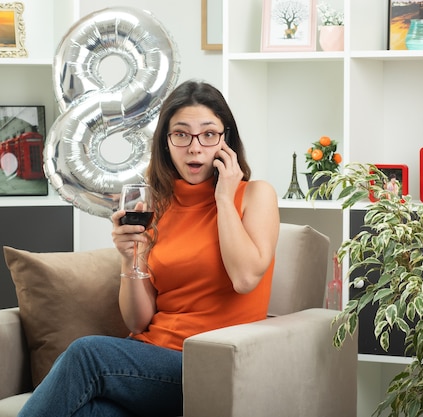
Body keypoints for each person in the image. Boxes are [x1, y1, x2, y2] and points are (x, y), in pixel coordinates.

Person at [18, 80, 280, 417]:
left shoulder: (256, 195)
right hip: (150, 361)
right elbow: (138, 321)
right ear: (166, 143)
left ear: (225, 140)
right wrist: (130, 259)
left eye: (209, 134)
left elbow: (245, 278)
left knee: (87, 353)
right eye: (181, 134)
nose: (195, 148)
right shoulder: (157, 205)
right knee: (89, 412)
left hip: (206, 366)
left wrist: (224, 199)